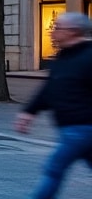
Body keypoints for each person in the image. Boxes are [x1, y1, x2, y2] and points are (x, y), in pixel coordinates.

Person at [16, 11, 92, 199]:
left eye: (58, 28)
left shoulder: (88, 57)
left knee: (54, 169)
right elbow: (49, 89)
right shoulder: (62, 57)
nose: (52, 32)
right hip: (72, 128)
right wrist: (29, 112)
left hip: (82, 128)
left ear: (73, 32)